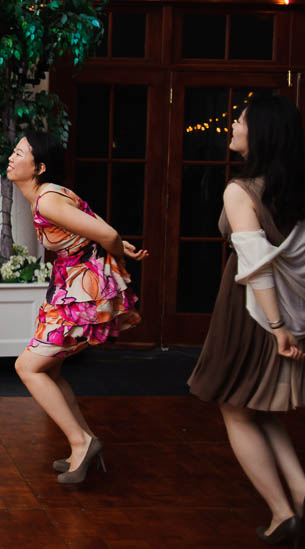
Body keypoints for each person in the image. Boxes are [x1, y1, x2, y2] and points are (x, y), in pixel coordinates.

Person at [188, 94, 305, 546]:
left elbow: (254, 264)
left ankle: (281, 514)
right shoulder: (291, 189)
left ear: (260, 133)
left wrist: (277, 329)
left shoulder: (241, 190)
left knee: (234, 409)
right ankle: (299, 494)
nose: (233, 126)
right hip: (286, 311)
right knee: (258, 408)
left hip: (251, 311)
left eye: (239, 120)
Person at [8, 129, 146, 484]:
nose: (11, 156)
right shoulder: (48, 194)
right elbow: (93, 223)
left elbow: (108, 236)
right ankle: (82, 445)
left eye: (20, 153)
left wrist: (114, 261)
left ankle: (81, 442)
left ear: (39, 166)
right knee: (49, 371)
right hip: (67, 291)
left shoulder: (46, 200)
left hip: (80, 293)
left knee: (28, 367)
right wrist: (113, 243)